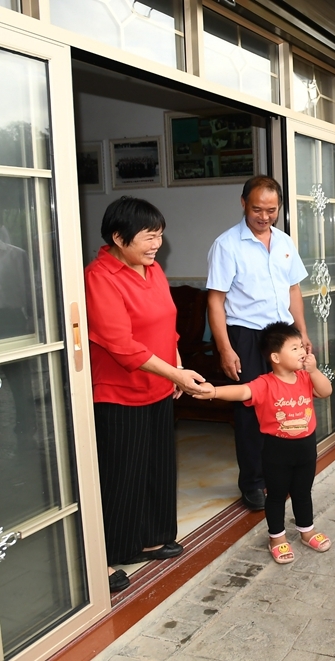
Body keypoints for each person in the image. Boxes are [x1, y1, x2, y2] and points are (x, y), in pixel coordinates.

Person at [84, 197, 207, 593]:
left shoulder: (150, 270)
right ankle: (107, 554)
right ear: (119, 238)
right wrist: (177, 374)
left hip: (157, 385)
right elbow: (121, 345)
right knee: (120, 475)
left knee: (155, 467)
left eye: (159, 235)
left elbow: (167, 322)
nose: (157, 244)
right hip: (118, 393)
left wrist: (172, 368)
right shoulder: (99, 276)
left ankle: (149, 537)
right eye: (148, 237)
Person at [207, 176, 311, 511]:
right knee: (251, 409)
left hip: (281, 334)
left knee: (285, 405)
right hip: (246, 335)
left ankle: (278, 476)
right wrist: (224, 348)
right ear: (243, 204)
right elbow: (215, 300)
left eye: (271, 210)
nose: (264, 216)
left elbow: (293, 290)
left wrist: (302, 334)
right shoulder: (227, 245)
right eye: (257, 209)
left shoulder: (283, 242)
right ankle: (252, 482)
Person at [194, 322, 333, 563]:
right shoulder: (264, 383)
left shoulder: (305, 377)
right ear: (275, 357)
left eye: (302, 347)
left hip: (306, 447)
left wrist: (314, 371)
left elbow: (326, 391)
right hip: (276, 449)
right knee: (277, 495)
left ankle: (306, 530)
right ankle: (277, 537)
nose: (302, 352)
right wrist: (214, 392)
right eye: (295, 348)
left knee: (302, 492)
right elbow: (242, 392)